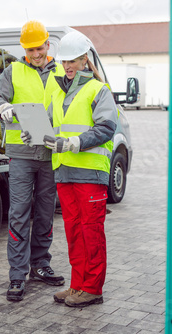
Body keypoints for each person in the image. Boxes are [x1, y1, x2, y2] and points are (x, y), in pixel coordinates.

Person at [0, 20, 65, 302]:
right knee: (19, 215)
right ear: (25, 48)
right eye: (31, 49)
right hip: (21, 154)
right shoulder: (13, 71)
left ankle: (41, 265)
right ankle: (17, 276)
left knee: (45, 213)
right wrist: (2, 108)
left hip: (51, 153)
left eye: (40, 47)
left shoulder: (61, 71)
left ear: (48, 44)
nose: (36, 53)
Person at [43, 30, 118, 308]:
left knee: (91, 232)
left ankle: (93, 289)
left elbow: (107, 128)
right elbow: (54, 127)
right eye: (64, 62)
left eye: (73, 60)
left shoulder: (99, 90)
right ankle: (77, 285)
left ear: (85, 60)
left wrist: (75, 142)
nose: (68, 66)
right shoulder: (61, 92)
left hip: (90, 174)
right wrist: (37, 134)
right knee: (74, 232)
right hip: (64, 171)